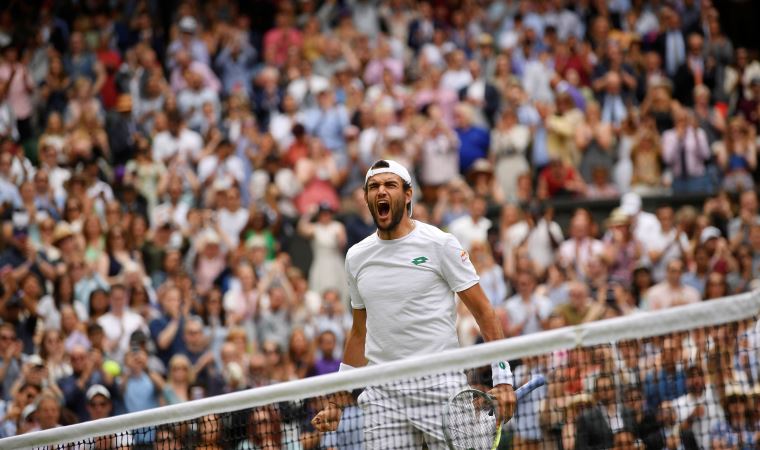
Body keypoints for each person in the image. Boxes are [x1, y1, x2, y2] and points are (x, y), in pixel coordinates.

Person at [311, 160, 516, 448]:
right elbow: (359, 332)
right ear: (367, 197)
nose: (381, 191)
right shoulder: (356, 257)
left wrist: (503, 380)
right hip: (383, 395)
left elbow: (484, 311)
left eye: (390, 185)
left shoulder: (440, 244)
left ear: (408, 195)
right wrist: (337, 402)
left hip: (440, 388)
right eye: (374, 187)